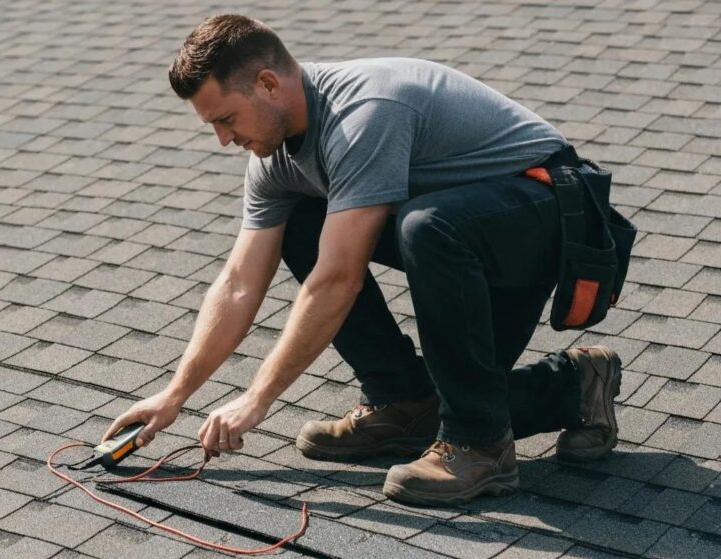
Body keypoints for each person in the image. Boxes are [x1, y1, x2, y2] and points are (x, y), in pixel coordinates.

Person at [103, 14, 623, 507]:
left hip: (549, 213)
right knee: (306, 223)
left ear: (266, 83)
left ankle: (481, 444)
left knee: (428, 230)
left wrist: (256, 399)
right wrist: (173, 396)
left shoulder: (363, 116)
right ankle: (407, 402)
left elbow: (336, 281)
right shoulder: (275, 158)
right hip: (463, 232)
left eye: (225, 119)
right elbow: (239, 282)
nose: (223, 140)